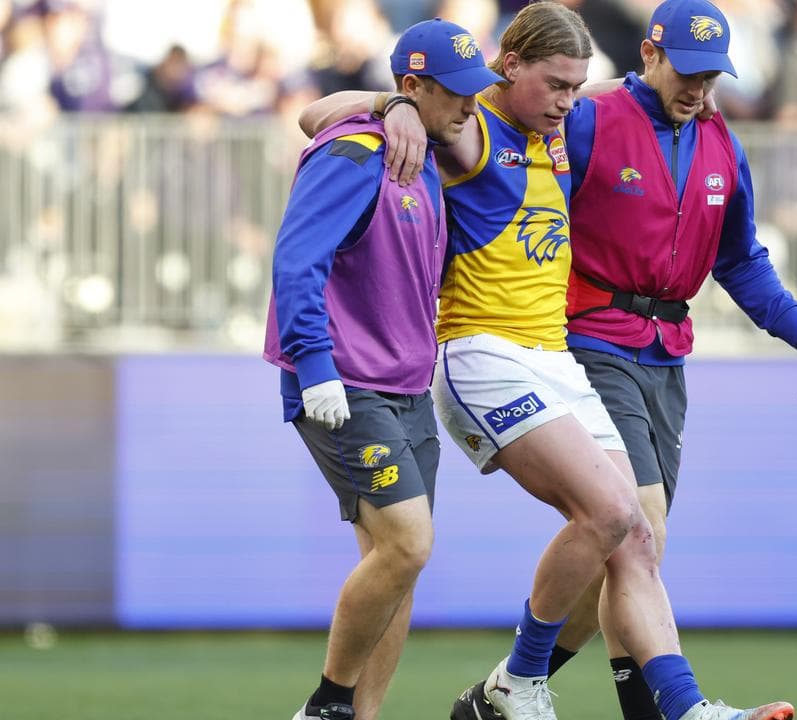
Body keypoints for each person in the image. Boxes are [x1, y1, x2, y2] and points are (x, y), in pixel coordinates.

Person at [300, 3, 793, 720]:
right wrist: (392, 105)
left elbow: (628, 99)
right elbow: (314, 114)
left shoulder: (557, 128)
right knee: (610, 510)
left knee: (635, 533)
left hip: (553, 357)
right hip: (483, 354)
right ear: (508, 68)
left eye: (576, 86)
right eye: (557, 85)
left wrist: (684, 94)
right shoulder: (470, 128)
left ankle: (683, 710)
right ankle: (513, 681)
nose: (568, 100)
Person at [263, 18, 501, 720]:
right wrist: (314, 366)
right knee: (408, 544)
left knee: (397, 566)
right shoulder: (357, 151)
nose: (470, 106)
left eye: (476, 91)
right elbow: (296, 260)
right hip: (345, 381)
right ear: (412, 85)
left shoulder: (422, 150)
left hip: (406, 387)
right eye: (456, 92)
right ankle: (327, 705)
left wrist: (391, 105)